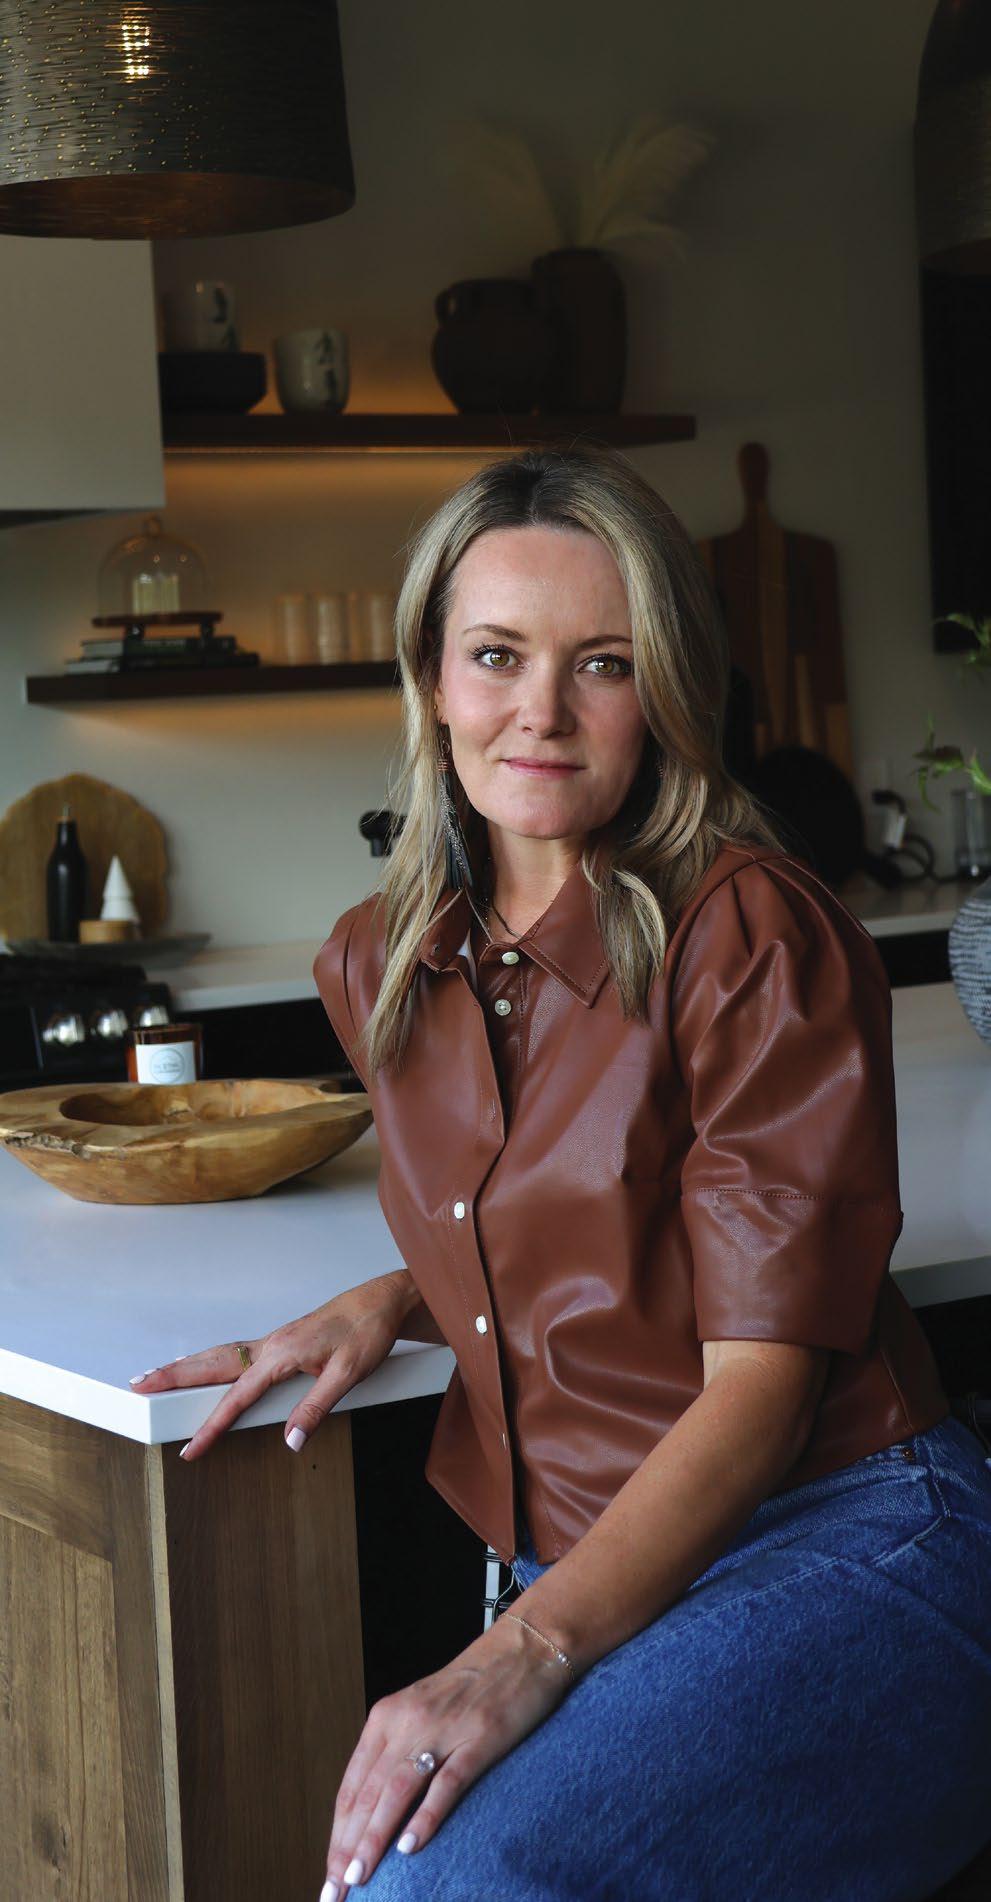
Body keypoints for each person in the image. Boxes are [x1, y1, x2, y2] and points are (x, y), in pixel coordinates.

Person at [134, 448, 991, 1902]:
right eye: (497, 655)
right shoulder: (378, 961)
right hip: (604, 1580)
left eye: (604, 663)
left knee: (439, 1887)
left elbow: (765, 1386)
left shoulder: (751, 932)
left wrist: (517, 1651)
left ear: (667, 691)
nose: (541, 710)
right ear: (430, 676)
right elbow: (592, 1201)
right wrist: (402, 1294)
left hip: (849, 1540)